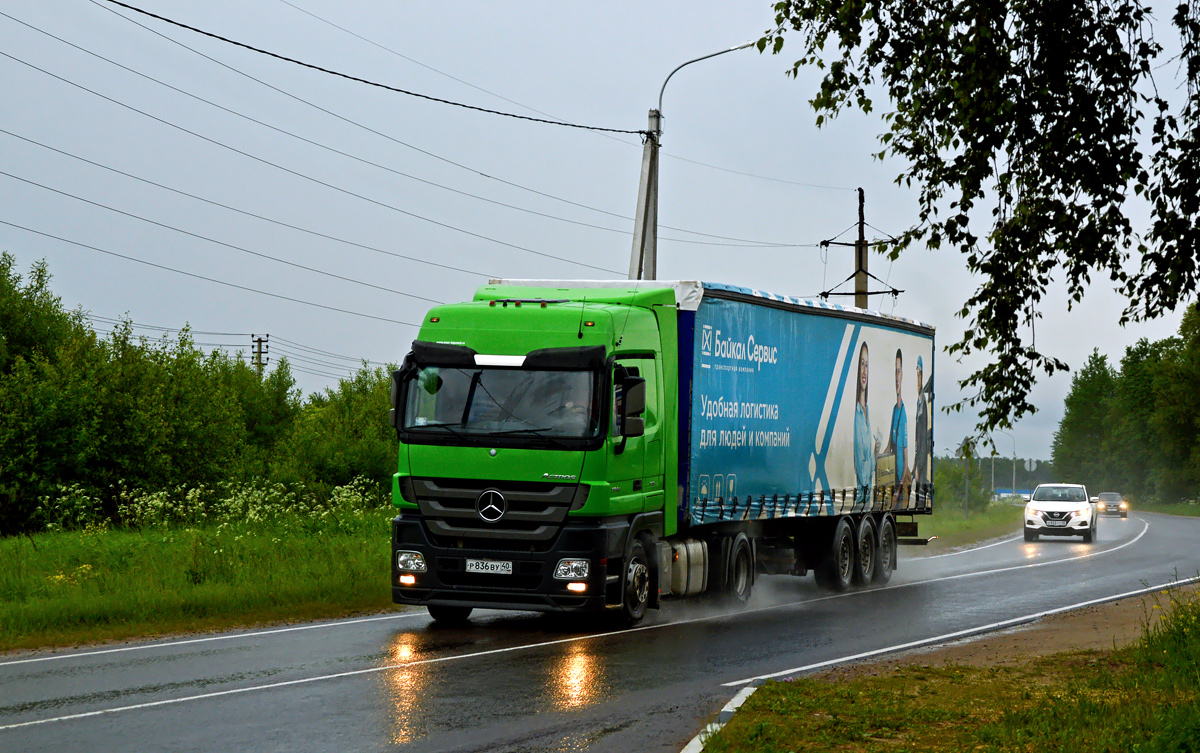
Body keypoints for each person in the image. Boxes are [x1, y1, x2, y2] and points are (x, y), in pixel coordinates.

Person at [884, 349, 910, 508]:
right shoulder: (894, 409)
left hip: (899, 483)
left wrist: (899, 488)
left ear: (902, 375)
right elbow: (889, 446)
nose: (896, 377)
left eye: (899, 371)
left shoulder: (904, 414)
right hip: (892, 479)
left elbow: (906, 460)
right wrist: (877, 456)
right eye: (895, 371)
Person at [853, 342, 877, 507]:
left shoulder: (867, 409)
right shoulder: (856, 414)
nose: (864, 370)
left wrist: (875, 455)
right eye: (862, 364)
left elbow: (869, 461)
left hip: (867, 498)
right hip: (861, 496)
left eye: (867, 365)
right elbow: (861, 464)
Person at [913, 355, 931, 507]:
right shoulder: (918, 403)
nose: (918, 381)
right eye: (916, 375)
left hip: (921, 466)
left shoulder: (923, 407)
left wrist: (918, 467)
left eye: (920, 375)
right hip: (917, 463)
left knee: (919, 500)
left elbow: (923, 441)